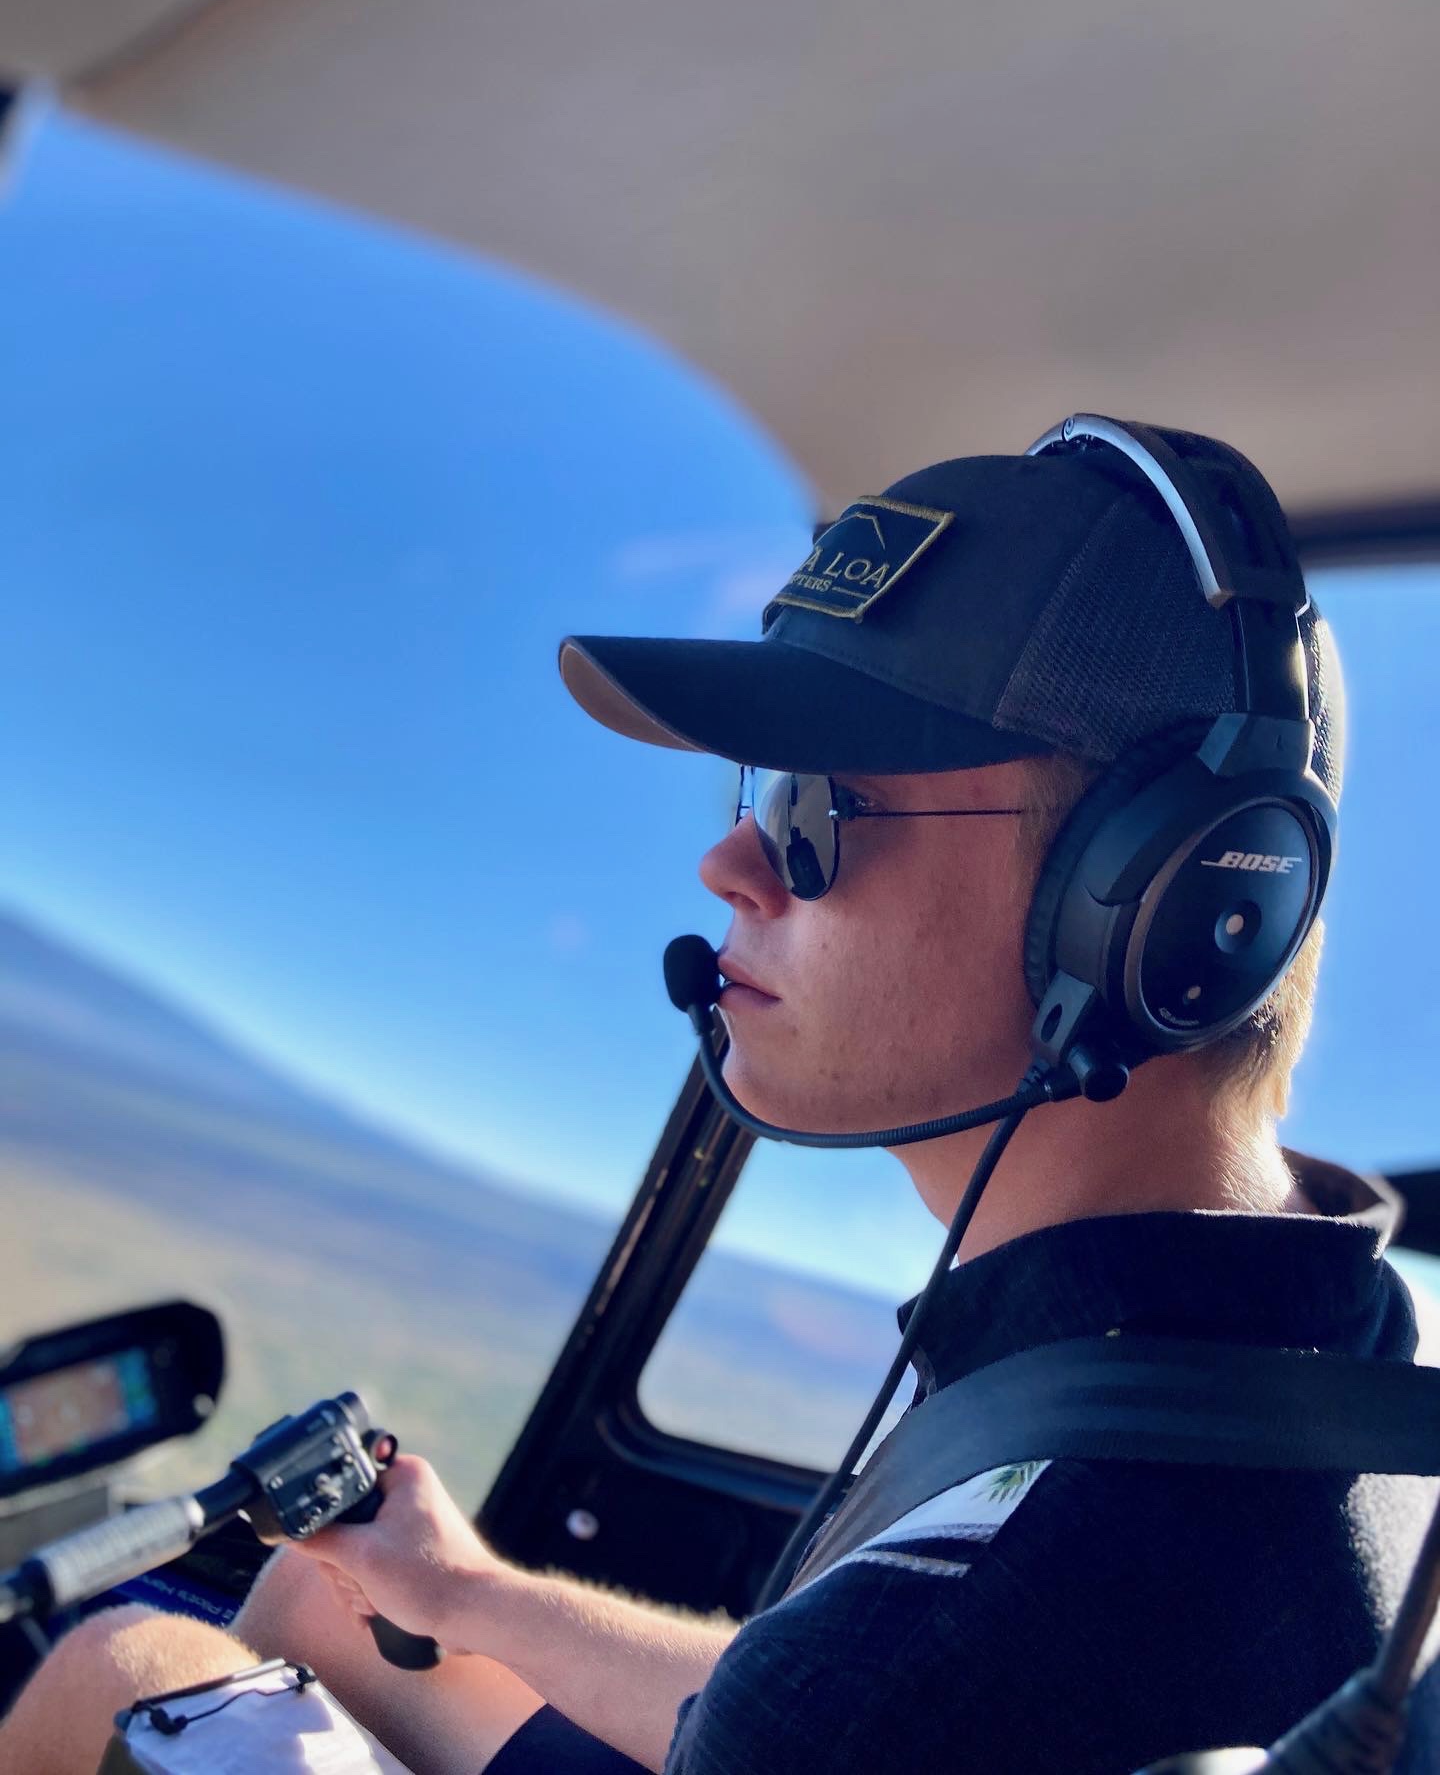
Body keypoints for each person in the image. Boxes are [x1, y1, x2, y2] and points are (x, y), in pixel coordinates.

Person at [4, 426, 1437, 1775]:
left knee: (114, 1672)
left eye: (820, 809)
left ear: (1170, 913)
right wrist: (467, 1593)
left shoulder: (947, 1645)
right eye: (758, 792)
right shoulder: (1344, 1349)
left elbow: (839, 1698)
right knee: (334, 1612)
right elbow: (787, 1684)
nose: (733, 868)